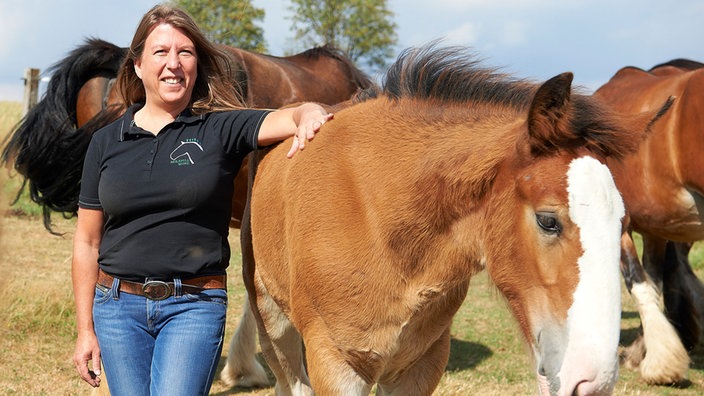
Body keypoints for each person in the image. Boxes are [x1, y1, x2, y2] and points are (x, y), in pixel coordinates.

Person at [71, 4, 332, 395]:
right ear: (138, 65)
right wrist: (85, 330)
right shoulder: (106, 142)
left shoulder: (219, 128)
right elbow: (87, 241)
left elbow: (292, 116)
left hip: (192, 306)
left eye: (185, 52)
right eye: (160, 52)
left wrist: (311, 112)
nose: (173, 63)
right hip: (117, 309)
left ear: (197, 65)